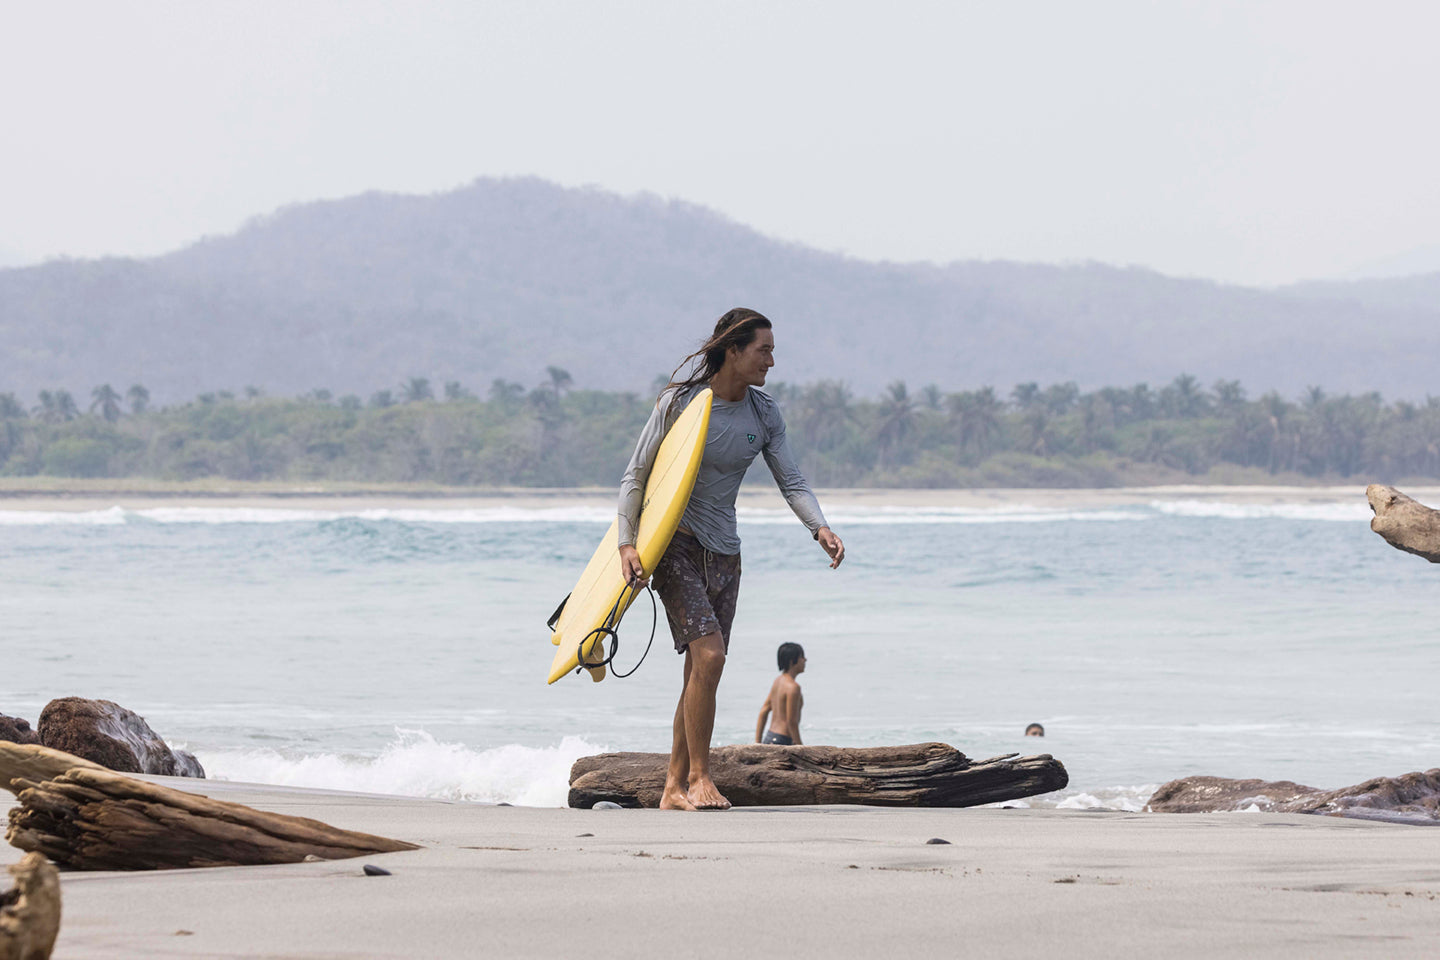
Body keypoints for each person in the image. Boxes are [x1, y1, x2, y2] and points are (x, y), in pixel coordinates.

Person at [617, 308, 844, 810]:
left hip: (725, 551)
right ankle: (700, 777)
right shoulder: (680, 403)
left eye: (771, 350)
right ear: (733, 350)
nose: (771, 360)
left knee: (700, 671)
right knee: (712, 656)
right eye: (763, 349)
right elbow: (636, 474)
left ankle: (671, 789)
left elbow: (793, 480)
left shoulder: (763, 413)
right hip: (674, 542)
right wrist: (627, 543)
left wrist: (819, 527)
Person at [755, 642, 805, 745]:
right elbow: (791, 722)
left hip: (769, 738)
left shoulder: (778, 681)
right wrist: (801, 747)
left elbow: (764, 710)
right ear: (792, 661)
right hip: (783, 740)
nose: (805, 660)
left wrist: (758, 742)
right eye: (802, 657)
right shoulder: (793, 687)